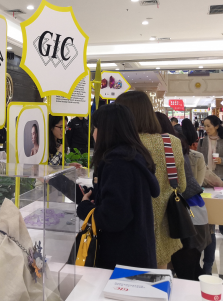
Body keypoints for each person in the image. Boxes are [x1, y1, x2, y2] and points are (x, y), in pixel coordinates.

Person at [77, 103, 160, 269]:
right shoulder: (132, 156)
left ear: (107, 130)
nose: (93, 133)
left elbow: (113, 218)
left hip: (121, 260)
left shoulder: (117, 163)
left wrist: (85, 208)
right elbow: (122, 199)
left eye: (96, 128)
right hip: (136, 253)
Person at [116, 91, 186, 268]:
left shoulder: (123, 144)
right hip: (164, 227)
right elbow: (181, 185)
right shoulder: (171, 142)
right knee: (158, 277)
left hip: (130, 230)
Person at [156, 113, 210, 281]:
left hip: (184, 215)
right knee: (190, 267)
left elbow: (181, 184)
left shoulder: (167, 145)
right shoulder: (175, 142)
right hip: (193, 210)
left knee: (186, 269)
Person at [196, 115, 223, 242]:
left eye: (209, 126)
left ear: (217, 126)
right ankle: (209, 230)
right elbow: (198, 159)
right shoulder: (202, 141)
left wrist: (221, 160)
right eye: (205, 126)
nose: (206, 128)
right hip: (206, 178)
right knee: (207, 205)